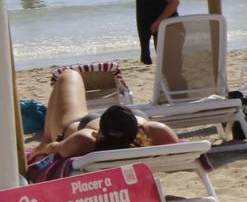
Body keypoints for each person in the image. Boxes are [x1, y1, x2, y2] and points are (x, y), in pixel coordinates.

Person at [25, 71, 180, 183]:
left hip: (85, 123)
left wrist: (40, 150)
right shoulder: (155, 131)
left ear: (98, 133)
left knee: (68, 75)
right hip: (130, 121)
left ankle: (44, 137)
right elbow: (182, 151)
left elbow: (55, 148)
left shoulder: (85, 139)